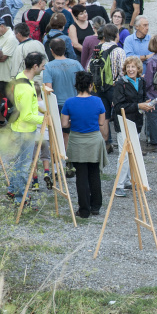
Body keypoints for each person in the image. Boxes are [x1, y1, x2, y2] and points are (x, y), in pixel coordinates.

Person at [60, 71, 107, 217]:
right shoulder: (98, 101)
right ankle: (95, 206)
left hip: (77, 140)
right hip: (93, 140)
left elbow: (64, 123)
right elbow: (101, 122)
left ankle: (84, 209)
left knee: (81, 176)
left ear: (77, 86)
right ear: (90, 85)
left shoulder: (69, 102)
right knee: (94, 174)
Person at [6, 53, 45, 210]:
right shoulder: (28, 90)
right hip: (25, 130)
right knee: (23, 165)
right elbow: (28, 116)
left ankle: (12, 190)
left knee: (17, 162)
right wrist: (45, 120)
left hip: (17, 127)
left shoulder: (21, 77)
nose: (43, 68)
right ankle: (21, 198)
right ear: (35, 66)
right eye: (42, 65)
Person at [112, 57, 154, 197]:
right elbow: (118, 107)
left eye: (133, 67)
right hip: (123, 123)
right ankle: (118, 185)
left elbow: (140, 100)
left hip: (136, 122)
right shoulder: (120, 84)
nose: (130, 69)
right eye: (128, 67)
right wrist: (138, 106)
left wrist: (146, 104)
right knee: (123, 155)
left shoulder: (141, 81)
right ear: (125, 69)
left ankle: (128, 181)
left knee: (133, 153)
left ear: (138, 69)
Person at [94, 24, 126, 152]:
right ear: (117, 35)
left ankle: (105, 145)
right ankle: (121, 143)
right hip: (115, 87)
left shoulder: (98, 48)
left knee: (104, 116)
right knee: (119, 115)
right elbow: (123, 72)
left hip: (100, 87)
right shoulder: (119, 51)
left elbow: (90, 68)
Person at [0, 20, 19, 126]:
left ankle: (14, 124)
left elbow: (2, 57)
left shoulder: (11, 38)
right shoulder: (0, 35)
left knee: (9, 100)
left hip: (7, 75)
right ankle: (2, 119)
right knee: (0, 96)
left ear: (2, 26)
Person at [43, 37, 83, 109]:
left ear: (51, 50)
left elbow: (48, 88)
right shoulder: (76, 64)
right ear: (65, 49)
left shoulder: (48, 67)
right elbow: (84, 82)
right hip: (76, 101)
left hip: (58, 104)